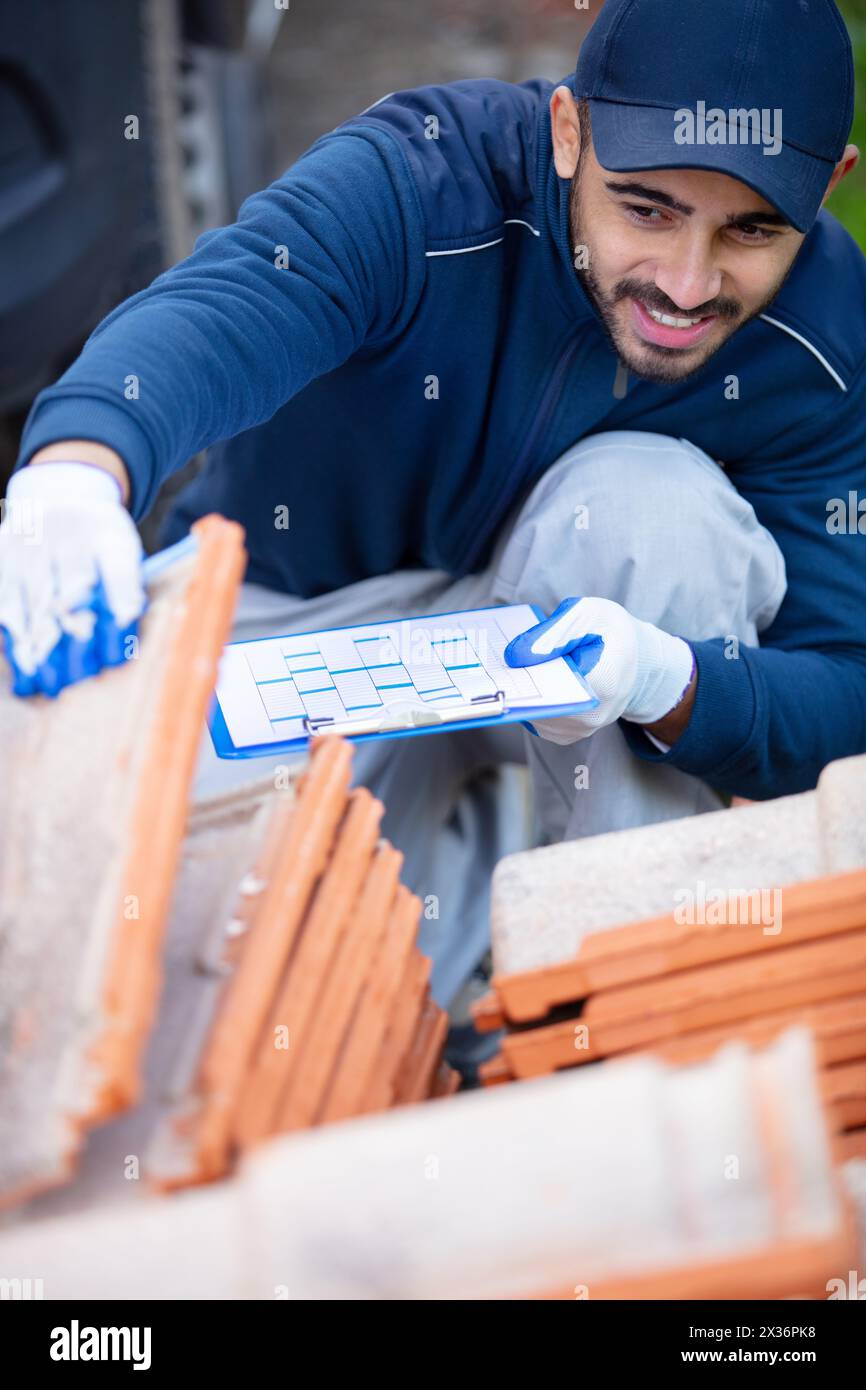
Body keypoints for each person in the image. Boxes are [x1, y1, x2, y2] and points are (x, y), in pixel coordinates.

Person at [1, 0, 863, 1042]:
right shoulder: (422, 176)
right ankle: (466, 887)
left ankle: (609, 1004)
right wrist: (78, 470)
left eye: (748, 231)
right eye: (644, 209)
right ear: (565, 132)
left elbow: (839, 687)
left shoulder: (824, 338)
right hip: (307, 648)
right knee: (186, 972)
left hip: (573, 669)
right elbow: (223, 308)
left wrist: (669, 681)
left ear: (828, 187)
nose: (683, 284)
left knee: (654, 507)